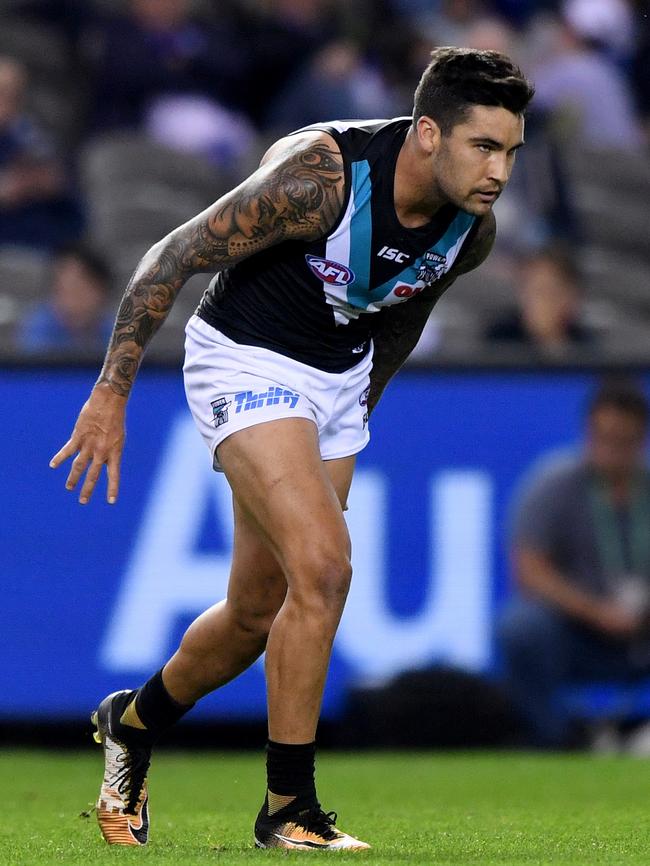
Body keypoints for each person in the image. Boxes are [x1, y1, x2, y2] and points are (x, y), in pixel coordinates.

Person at [50, 47, 533, 850]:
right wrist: (110, 393)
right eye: (484, 146)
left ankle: (130, 724)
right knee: (327, 567)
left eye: (512, 151)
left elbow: (404, 313)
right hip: (243, 357)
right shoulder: (323, 181)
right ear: (425, 134)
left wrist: (355, 410)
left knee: (253, 613)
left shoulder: (470, 233)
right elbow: (168, 258)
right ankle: (287, 808)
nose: (500, 172)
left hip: (336, 381)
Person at [499, 381, 650, 748]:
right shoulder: (553, 485)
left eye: (623, 440)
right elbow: (530, 569)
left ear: (640, 439)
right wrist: (596, 612)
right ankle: (554, 737)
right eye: (603, 437)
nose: (611, 450)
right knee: (522, 628)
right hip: (580, 632)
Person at [484, 246, 595, 356]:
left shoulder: (586, 347)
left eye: (547, 291)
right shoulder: (499, 340)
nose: (538, 301)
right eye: (530, 290)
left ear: (570, 297)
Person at [18, 244, 113, 353]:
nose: (71, 299)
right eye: (63, 289)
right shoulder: (38, 327)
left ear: (101, 290)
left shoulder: (115, 329)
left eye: (79, 289)